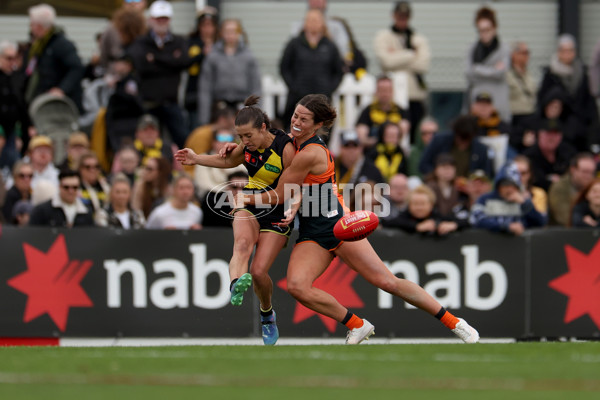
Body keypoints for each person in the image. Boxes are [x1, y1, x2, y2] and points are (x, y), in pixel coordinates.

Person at [238, 93, 479, 344]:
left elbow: (279, 194)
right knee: (298, 286)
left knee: (387, 282)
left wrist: (245, 198)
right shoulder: (291, 142)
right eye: (296, 115)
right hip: (312, 230)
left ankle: (455, 323)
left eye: (304, 119)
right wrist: (231, 150)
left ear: (318, 125)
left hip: (338, 226)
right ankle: (357, 325)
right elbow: (266, 148)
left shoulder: (310, 152)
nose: (296, 121)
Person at [175, 95, 296, 346]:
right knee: (241, 245)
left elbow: (285, 193)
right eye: (240, 137)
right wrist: (196, 158)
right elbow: (229, 160)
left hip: (277, 210)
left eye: (248, 136)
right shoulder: (247, 147)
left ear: (263, 127)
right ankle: (234, 285)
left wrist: (248, 199)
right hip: (250, 204)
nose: (243, 142)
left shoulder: (285, 148)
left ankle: (266, 314)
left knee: (260, 272)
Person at [127, 0, 192, 149]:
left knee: (183, 140)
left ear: (170, 20)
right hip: (148, 103)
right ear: (151, 19)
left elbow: (183, 62)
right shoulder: (141, 42)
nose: (161, 22)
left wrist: (155, 58)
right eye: (158, 18)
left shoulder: (179, 41)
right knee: (146, 141)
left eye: (165, 18)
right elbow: (141, 65)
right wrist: (170, 61)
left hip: (171, 101)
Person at [373, 1, 431, 143]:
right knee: (391, 135)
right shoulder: (383, 36)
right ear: (393, 16)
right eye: (399, 16)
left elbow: (423, 65)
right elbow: (386, 61)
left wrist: (396, 55)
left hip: (414, 96)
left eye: (405, 16)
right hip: (393, 99)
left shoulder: (419, 38)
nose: (402, 19)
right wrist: (411, 54)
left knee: (414, 137)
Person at [280, 9, 344, 131]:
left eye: (317, 20)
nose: (313, 23)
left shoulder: (330, 46)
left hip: (323, 100)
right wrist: (294, 87)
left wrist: (328, 89)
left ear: (323, 24)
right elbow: (284, 68)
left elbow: (338, 72)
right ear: (305, 23)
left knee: (322, 134)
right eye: (310, 20)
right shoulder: (294, 44)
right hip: (297, 99)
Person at [537, 34, 598, 152]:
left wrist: (593, 134)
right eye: (564, 50)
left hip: (581, 132)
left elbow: (590, 106)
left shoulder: (582, 74)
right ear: (558, 52)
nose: (567, 54)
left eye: (570, 50)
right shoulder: (550, 75)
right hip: (558, 132)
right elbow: (543, 105)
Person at [198, 18, 261, 126]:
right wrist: (204, 117)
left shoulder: (248, 56)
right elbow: (205, 88)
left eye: (234, 31)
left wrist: (257, 114)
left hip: (242, 106)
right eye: (227, 31)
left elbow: (256, 86)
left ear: (239, 33)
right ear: (222, 33)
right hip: (219, 107)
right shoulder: (213, 56)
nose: (230, 35)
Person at [24, 4, 85, 112]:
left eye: (32, 24)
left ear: (39, 26)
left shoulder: (60, 45)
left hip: (60, 105)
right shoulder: (40, 45)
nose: (30, 27)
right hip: (45, 102)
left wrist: (61, 89)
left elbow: (76, 68)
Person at [470, 162, 547, 235]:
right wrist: (506, 227)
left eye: (513, 185)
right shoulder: (485, 199)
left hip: (518, 246)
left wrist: (525, 204)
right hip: (490, 245)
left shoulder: (523, 202)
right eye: (505, 185)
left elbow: (540, 222)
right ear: (498, 186)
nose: (509, 189)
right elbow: (476, 219)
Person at [464, 6, 511, 123]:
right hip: (476, 104)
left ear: (495, 28)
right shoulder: (472, 49)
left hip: (498, 105)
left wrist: (477, 69)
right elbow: (468, 73)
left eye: (487, 29)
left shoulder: (503, 48)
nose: (484, 34)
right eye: (480, 30)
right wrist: (492, 70)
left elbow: (501, 73)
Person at [419, 115, 494, 179]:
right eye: (461, 138)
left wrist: (473, 183)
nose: (463, 143)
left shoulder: (481, 149)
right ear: (455, 133)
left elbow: (487, 174)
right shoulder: (439, 141)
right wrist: (438, 174)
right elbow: (423, 165)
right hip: (440, 187)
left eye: (467, 140)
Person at [381, 184, 465, 235]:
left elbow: (466, 222)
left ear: (431, 205)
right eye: (415, 204)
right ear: (409, 205)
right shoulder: (404, 216)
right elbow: (389, 223)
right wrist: (416, 227)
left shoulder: (436, 216)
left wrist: (453, 225)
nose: (419, 207)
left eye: (423, 204)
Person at [184, 7, 219, 132]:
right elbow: (184, 63)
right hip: (195, 93)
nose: (207, 29)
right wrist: (202, 55)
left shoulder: (219, 44)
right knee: (196, 129)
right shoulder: (192, 43)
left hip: (216, 94)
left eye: (210, 25)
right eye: (204, 25)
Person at [355, 75, 409, 149]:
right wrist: (380, 141)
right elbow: (361, 137)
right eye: (382, 90)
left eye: (387, 90)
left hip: (394, 151)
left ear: (392, 91)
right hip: (374, 151)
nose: (385, 94)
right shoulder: (368, 110)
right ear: (376, 91)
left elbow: (403, 131)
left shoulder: (400, 111)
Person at [523, 119, 577, 192]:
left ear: (560, 136)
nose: (552, 137)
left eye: (555, 134)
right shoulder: (529, 156)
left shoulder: (569, 152)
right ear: (539, 134)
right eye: (548, 133)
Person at [29, 169, 94, 227]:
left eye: (75, 187)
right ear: (59, 187)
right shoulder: (42, 211)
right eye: (66, 187)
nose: (70, 191)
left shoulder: (86, 211)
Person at [548, 152, 596, 226]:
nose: (588, 176)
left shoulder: (594, 186)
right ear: (573, 170)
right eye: (585, 172)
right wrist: (582, 221)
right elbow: (564, 217)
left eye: (591, 172)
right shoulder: (559, 188)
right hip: (563, 233)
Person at [507, 41, 536, 127]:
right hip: (514, 116)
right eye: (523, 53)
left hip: (530, 114)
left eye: (527, 53)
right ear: (513, 55)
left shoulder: (529, 74)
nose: (526, 56)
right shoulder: (507, 75)